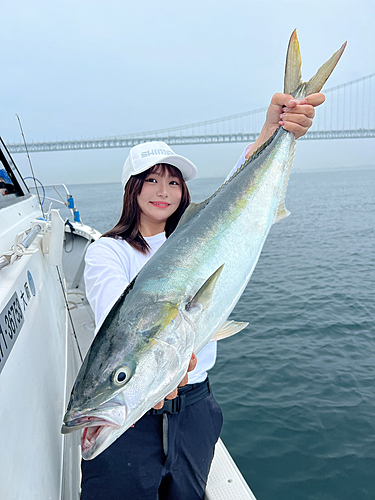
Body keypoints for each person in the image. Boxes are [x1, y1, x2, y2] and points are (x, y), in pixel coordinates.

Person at [81, 92, 324, 500]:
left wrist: (275, 131)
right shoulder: (108, 250)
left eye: (173, 181)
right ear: (132, 189)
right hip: (134, 414)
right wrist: (136, 375)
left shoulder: (201, 234)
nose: (164, 190)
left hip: (195, 409)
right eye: (152, 180)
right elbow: (117, 321)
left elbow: (235, 196)